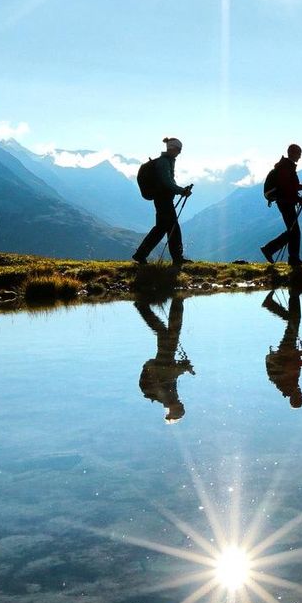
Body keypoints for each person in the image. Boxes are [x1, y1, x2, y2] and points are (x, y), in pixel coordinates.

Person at [133, 137, 194, 265]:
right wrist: (182, 191)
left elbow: (169, 181)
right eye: (179, 149)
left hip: (162, 198)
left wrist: (180, 190)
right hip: (163, 199)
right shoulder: (164, 162)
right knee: (173, 228)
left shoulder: (166, 161)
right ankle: (177, 258)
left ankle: (141, 254)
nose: (180, 152)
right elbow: (167, 182)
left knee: (161, 229)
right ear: (173, 149)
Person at [136, 295, 192, 423]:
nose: (181, 404)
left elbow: (168, 376)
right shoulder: (169, 399)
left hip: (163, 362)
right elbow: (170, 376)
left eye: (179, 407)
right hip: (163, 362)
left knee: (167, 332)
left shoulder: (167, 398)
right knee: (168, 332)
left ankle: (175, 300)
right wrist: (183, 368)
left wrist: (184, 368)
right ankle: (175, 301)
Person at [259, 143, 302, 268]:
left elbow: (288, 186)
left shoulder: (286, 166)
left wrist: (301, 187)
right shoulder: (286, 167)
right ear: (293, 153)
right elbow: (286, 188)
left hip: (285, 201)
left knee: (293, 231)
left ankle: (288, 256)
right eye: (299, 154)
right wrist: (299, 199)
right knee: (294, 231)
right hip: (285, 202)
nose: (300, 157)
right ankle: (272, 250)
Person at [261, 288, 302, 408]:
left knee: (294, 320)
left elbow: (287, 364)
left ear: (294, 397)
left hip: (284, 352)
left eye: (300, 395)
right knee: (294, 320)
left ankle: (272, 304)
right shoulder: (289, 386)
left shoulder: (288, 385)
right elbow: (290, 365)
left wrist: (301, 356)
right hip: (284, 353)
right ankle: (276, 302)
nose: (301, 392)